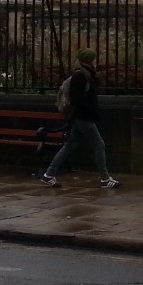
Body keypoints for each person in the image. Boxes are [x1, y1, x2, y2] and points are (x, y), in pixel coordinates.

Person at [39, 48, 118, 188]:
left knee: (69, 145)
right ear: (88, 60)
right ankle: (105, 178)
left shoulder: (86, 74)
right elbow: (77, 98)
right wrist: (91, 109)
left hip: (81, 116)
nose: (95, 61)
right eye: (93, 58)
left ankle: (48, 175)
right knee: (99, 144)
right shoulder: (80, 75)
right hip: (83, 117)